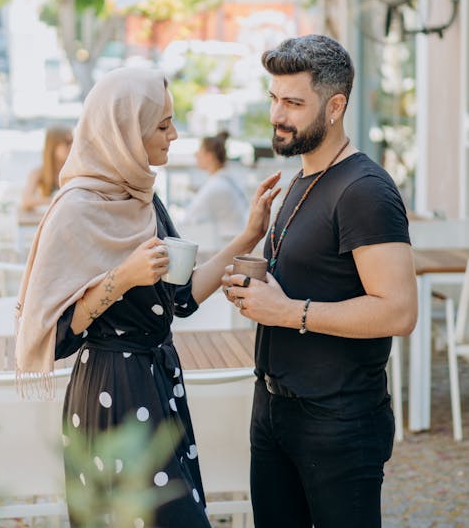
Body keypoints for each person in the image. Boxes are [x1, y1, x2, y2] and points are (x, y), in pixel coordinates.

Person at [15, 67, 280, 528]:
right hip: (110, 392)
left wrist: (248, 235)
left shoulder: (143, 200)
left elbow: (181, 298)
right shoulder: (75, 210)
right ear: (126, 131)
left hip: (159, 382)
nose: (174, 135)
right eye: (162, 125)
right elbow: (55, 338)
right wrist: (121, 278)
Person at [222, 35, 417, 528]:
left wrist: (286, 311)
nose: (276, 115)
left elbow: (398, 310)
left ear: (335, 107)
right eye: (273, 98)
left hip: (339, 420)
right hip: (272, 409)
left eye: (293, 103)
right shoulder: (300, 179)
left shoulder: (365, 191)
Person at [184, 131, 249, 243]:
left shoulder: (217, 186)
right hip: (232, 242)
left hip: (228, 246)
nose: (196, 154)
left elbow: (188, 218)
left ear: (209, 156)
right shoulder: (226, 180)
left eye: (200, 150)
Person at [21, 125, 73, 212]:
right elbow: (26, 201)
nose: (71, 146)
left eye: (73, 142)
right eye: (67, 142)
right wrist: (58, 200)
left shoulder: (75, 171)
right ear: (53, 145)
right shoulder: (38, 172)